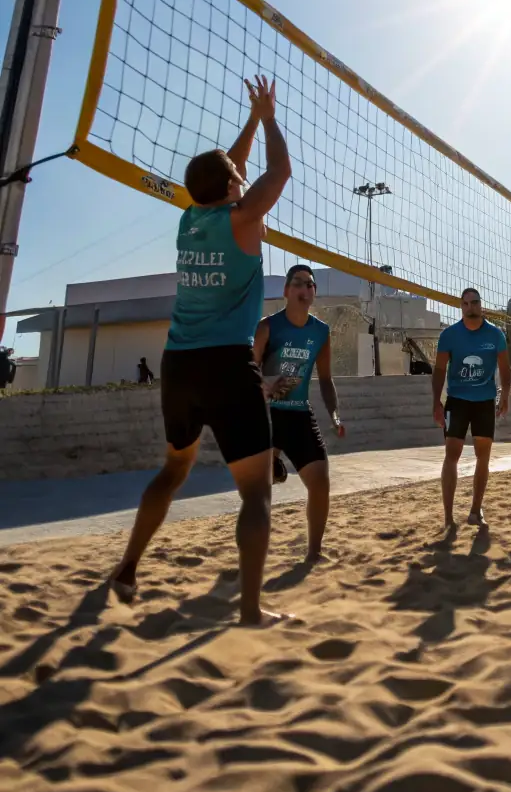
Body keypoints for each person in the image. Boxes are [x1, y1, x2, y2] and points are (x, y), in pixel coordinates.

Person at [110, 76, 292, 626]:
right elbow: (278, 172)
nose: (241, 174)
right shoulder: (243, 219)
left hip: (178, 364)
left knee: (173, 471)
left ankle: (126, 568)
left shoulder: (191, 219)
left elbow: (226, 170)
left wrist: (252, 122)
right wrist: (271, 118)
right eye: (237, 174)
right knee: (257, 493)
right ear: (234, 187)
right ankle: (252, 612)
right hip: (226, 364)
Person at [253, 264, 344, 564]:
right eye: (297, 283)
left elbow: (326, 379)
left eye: (309, 284)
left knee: (320, 482)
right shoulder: (267, 327)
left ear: (314, 292)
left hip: (300, 414)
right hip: (268, 413)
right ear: (286, 291)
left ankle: (314, 553)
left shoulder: (321, 332)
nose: (304, 288)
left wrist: (334, 415)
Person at [432, 287, 511, 528]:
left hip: (484, 401)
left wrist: (505, 395)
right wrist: (436, 401)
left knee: (483, 456)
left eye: (474, 303)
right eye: (466, 304)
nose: (470, 307)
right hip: (457, 401)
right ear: (461, 307)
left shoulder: (495, 335)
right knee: (451, 455)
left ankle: (476, 510)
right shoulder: (449, 335)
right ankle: (448, 517)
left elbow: (505, 369)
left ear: (481, 305)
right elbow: (439, 370)